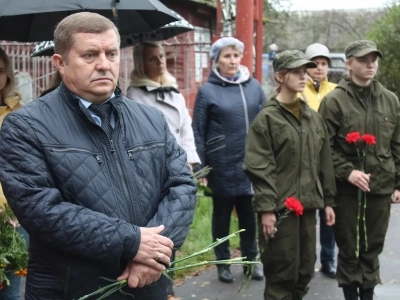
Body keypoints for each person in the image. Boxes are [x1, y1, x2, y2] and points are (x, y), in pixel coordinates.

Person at [0, 12, 197, 300]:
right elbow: (40, 209)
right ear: (61, 63)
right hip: (72, 289)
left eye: (111, 53)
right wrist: (131, 242)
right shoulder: (26, 126)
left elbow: (182, 186)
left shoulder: (151, 119)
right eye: (90, 55)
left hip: (148, 285)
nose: (104, 64)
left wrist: (154, 252)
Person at [243, 50, 336, 300]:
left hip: (307, 208)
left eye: (304, 71)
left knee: (304, 271)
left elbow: (324, 163)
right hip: (280, 208)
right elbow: (259, 167)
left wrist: (329, 201)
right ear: (280, 76)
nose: (303, 76)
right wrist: (267, 209)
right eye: (296, 72)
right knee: (281, 273)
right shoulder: (267, 119)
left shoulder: (313, 119)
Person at [318, 40, 400, 300]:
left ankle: (368, 295)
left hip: (380, 187)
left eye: (374, 59)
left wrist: (398, 183)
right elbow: (323, 149)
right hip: (346, 191)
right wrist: (347, 172)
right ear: (349, 63)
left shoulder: (389, 100)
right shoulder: (334, 101)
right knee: (350, 247)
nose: (370, 64)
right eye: (364, 60)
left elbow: (397, 144)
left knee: (372, 247)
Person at [126, 41, 201, 300]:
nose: (160, 63)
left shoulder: (174, 91)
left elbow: (186, 128)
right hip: (152, 171)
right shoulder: (134, 95)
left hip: (177, 167)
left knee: (174, 224)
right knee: (156, 228)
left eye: (162, 57)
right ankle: (160, 286)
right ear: (140, 64)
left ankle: (167, 283)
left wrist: (190, 160)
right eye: (152, 59)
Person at [192, 37, 266, 283]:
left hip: (250, 164)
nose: (233, 61)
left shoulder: (253, 86)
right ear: (217, 60)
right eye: (227, 56)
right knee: (221, 215)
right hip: (221, 164)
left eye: (236, 55)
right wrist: (201, 168)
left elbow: (266, 122)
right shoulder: (207, 90)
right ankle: (222, 263)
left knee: (248, 215)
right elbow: (198, 131)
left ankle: (250, 261)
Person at [303, 43, 337, 279]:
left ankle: (328, 259)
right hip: (304, 160)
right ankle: (306, 260)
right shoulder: (297, 90)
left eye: (324, 64)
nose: (319, 68)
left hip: (328, 161)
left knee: (328, 214)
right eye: (315, 64)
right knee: (305, 215)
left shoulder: (335, 91)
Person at [0, 46, 26, 300]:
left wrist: (19, 207)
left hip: (12, 220)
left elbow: (28, 168)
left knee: (9, 292)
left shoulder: (19, 116)